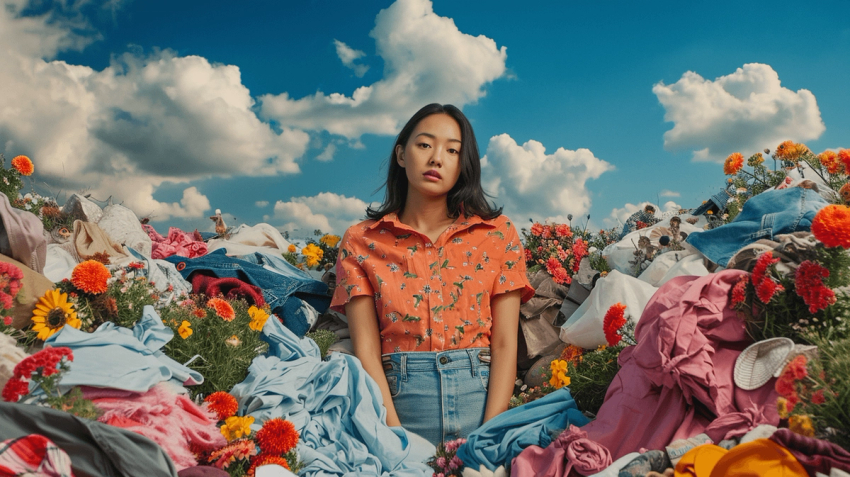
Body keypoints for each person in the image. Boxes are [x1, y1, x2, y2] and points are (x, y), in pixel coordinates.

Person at [330, 103, 534, 446]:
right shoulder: (361, 239)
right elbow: (367, 349)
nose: (437, 158)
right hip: (398, 404)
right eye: (425, 144)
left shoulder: (498, 233)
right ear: (401, 154)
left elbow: (503, 343)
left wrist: (490, 436)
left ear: (463, 165)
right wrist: (393, 438)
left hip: (482, 401)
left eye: (452, 150)